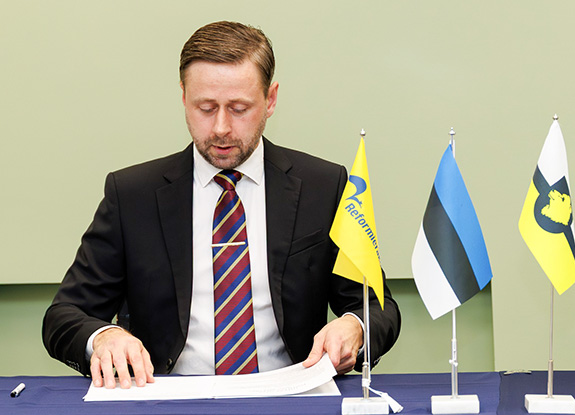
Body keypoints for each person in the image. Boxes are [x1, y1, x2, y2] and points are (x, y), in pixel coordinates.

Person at [43, 21, 401, 388]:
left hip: (291, 396)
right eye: (205, 107)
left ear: (270, 99)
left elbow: (377, 306)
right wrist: (103, 337)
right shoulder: (133, 195)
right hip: (167, 400)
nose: (221, 128)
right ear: (184, 97)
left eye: (239, 108)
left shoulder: (322, 186)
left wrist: (354, 327)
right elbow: (64, 315)